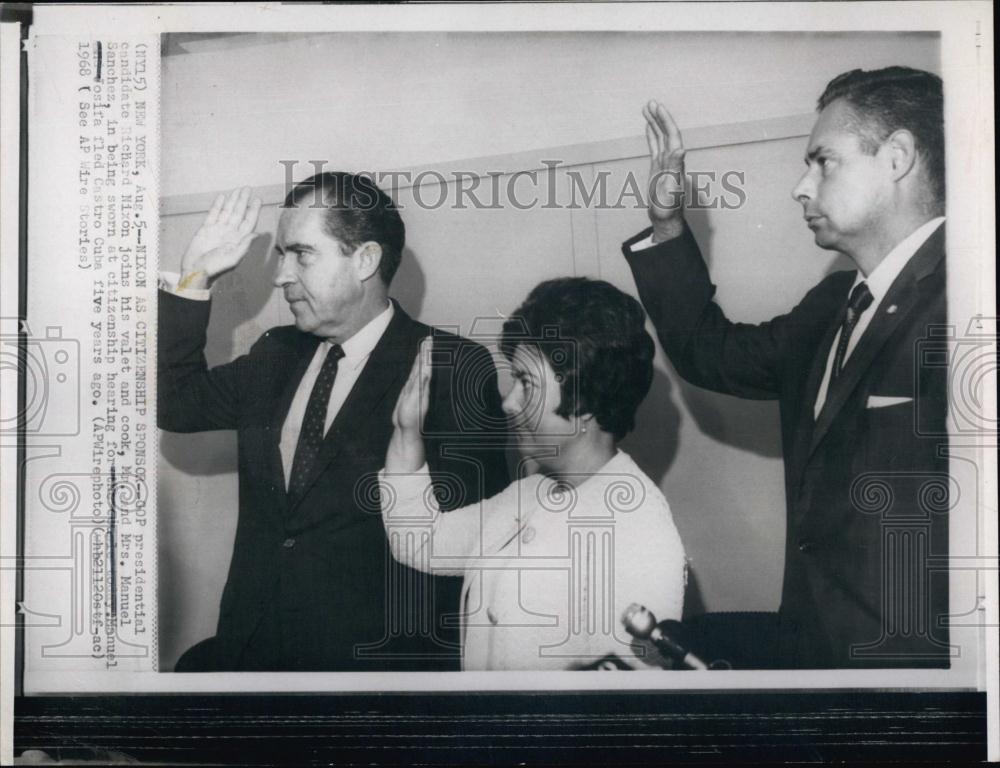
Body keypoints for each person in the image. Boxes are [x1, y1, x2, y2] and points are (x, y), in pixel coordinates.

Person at [622, 67, 949, 668]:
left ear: (898, 157)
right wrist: (668, 223)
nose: (802, 186)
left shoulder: (971, 300)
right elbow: (707, 351)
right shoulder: (835, 304)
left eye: (824, 161)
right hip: (819, 660)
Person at [158, 174, 509, 671]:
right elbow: (175, 403)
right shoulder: (275, 353)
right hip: (253, 654)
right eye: (281, 255)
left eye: (301, 254)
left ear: (364, 260)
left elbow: (472, 544)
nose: (281, 276)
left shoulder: (453, 367)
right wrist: (195, 278)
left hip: (371, 679)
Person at [379, 278, 686, 670]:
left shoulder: (640, 529)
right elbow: (419, 541)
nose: (509, 403)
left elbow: (622, 707)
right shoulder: (531, 493)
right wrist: (407, 432)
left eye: (526, 383)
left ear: (586, 397)